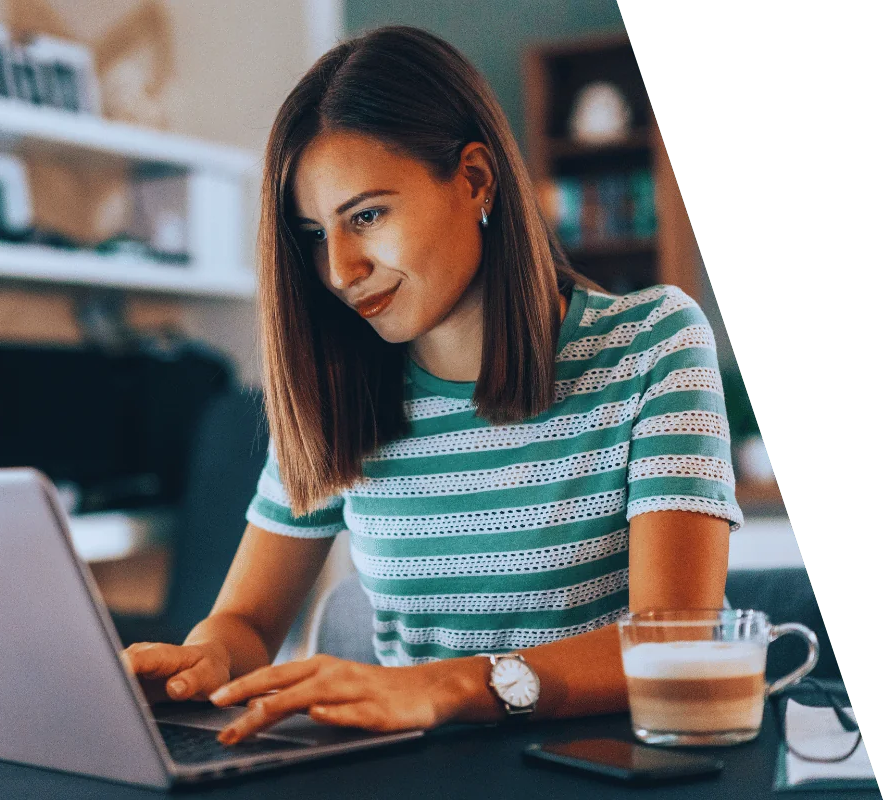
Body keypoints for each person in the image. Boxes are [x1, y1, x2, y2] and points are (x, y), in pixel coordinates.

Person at [122, 25, 741, 747]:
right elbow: (249, 623)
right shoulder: (337, 392)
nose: (340, 270)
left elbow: (674, 643)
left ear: (476, 179)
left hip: (618, 771)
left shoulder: (650, 343)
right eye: (316, 234)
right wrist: (203, 662)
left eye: (368, 216)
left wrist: (447, 684)